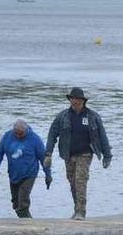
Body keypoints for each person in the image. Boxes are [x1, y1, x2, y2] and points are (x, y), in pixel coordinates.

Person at [45, 87, 113, 220]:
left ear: (83, 101)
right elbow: (52, 134)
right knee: (72, 182)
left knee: (80, 181)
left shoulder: (92, 116)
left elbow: (102, 136)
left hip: (86, 154)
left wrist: (107, 155)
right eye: (72, 99)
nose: (74, 101)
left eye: (77, 99)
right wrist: (48, 154)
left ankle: (81, 212)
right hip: (68, 154)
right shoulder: (62, 116)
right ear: (70, 100)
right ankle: (77, 208)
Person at [0, 119, 52, 218]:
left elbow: (43, 158)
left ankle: (29, 227)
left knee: (23, 202)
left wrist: (48, 175)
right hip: (13, 174)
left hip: (29, 174)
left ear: (27, 130)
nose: (19, 135)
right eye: (16, 133)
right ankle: (29, 222)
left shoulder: (35, 139)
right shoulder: (7, 136)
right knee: (16, 204)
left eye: (21, 134)